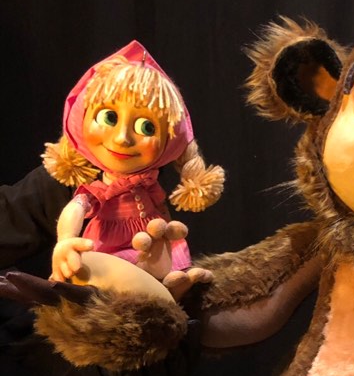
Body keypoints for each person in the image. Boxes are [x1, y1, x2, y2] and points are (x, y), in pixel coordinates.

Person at [44, 40, 224, 286]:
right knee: (118, 278)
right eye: (109, 117)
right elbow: (76, 207)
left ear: (170, 139)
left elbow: (161, 213)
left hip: (154, 244)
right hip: (110, 252)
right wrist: (65, 241)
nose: (122, 138)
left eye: (146, 127)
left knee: (164, 243)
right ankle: (155, 282)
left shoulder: (148, 185)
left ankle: (172, 286)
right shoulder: (101, 191)